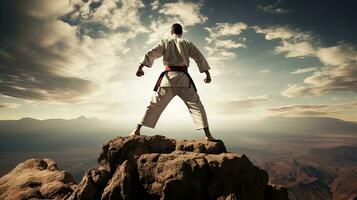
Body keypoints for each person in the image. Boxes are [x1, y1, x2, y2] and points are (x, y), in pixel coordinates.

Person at [130, 23, 216, 141]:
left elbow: (151, 53)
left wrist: (141, 67)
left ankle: (136, 130)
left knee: (153, 105)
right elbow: (199, 57)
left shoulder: (166, 41)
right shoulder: (186, 43)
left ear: (171, 32)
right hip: (183, 80)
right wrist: (207, 73)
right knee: (197, 106)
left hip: (167, 80)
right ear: (181, 33)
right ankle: (208, 135)